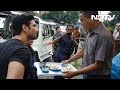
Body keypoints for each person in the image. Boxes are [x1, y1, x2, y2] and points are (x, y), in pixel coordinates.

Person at [61, 11, 114, 79]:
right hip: (88, 73)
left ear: (92, 19)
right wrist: (68, 61)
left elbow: (98, 65)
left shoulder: (103, 36)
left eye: (82, 20)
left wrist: (75, 73)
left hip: (99, 76)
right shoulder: (89, 32)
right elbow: (84, 50)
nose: (81, 24)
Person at [0, 14, 39, 79]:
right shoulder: (22, 51)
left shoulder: (3, 44)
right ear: (25, 28)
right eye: (34, 26)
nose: (37, 30)